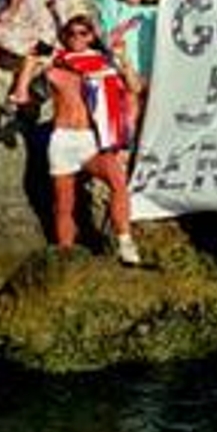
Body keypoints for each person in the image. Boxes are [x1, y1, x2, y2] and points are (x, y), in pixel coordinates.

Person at [40, 15, 142, 259]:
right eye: (72, 33)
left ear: (91, 36)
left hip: (90, 138)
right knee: (64, 203)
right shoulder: (55, 63)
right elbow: (27, 84)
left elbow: (134, 88)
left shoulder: (103, 64)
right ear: (65, 36)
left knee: (118, 181)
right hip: (62, 139)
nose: (77, 37)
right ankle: (66, 257)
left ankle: (125, 242)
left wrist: (123, 57)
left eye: (83, 33)